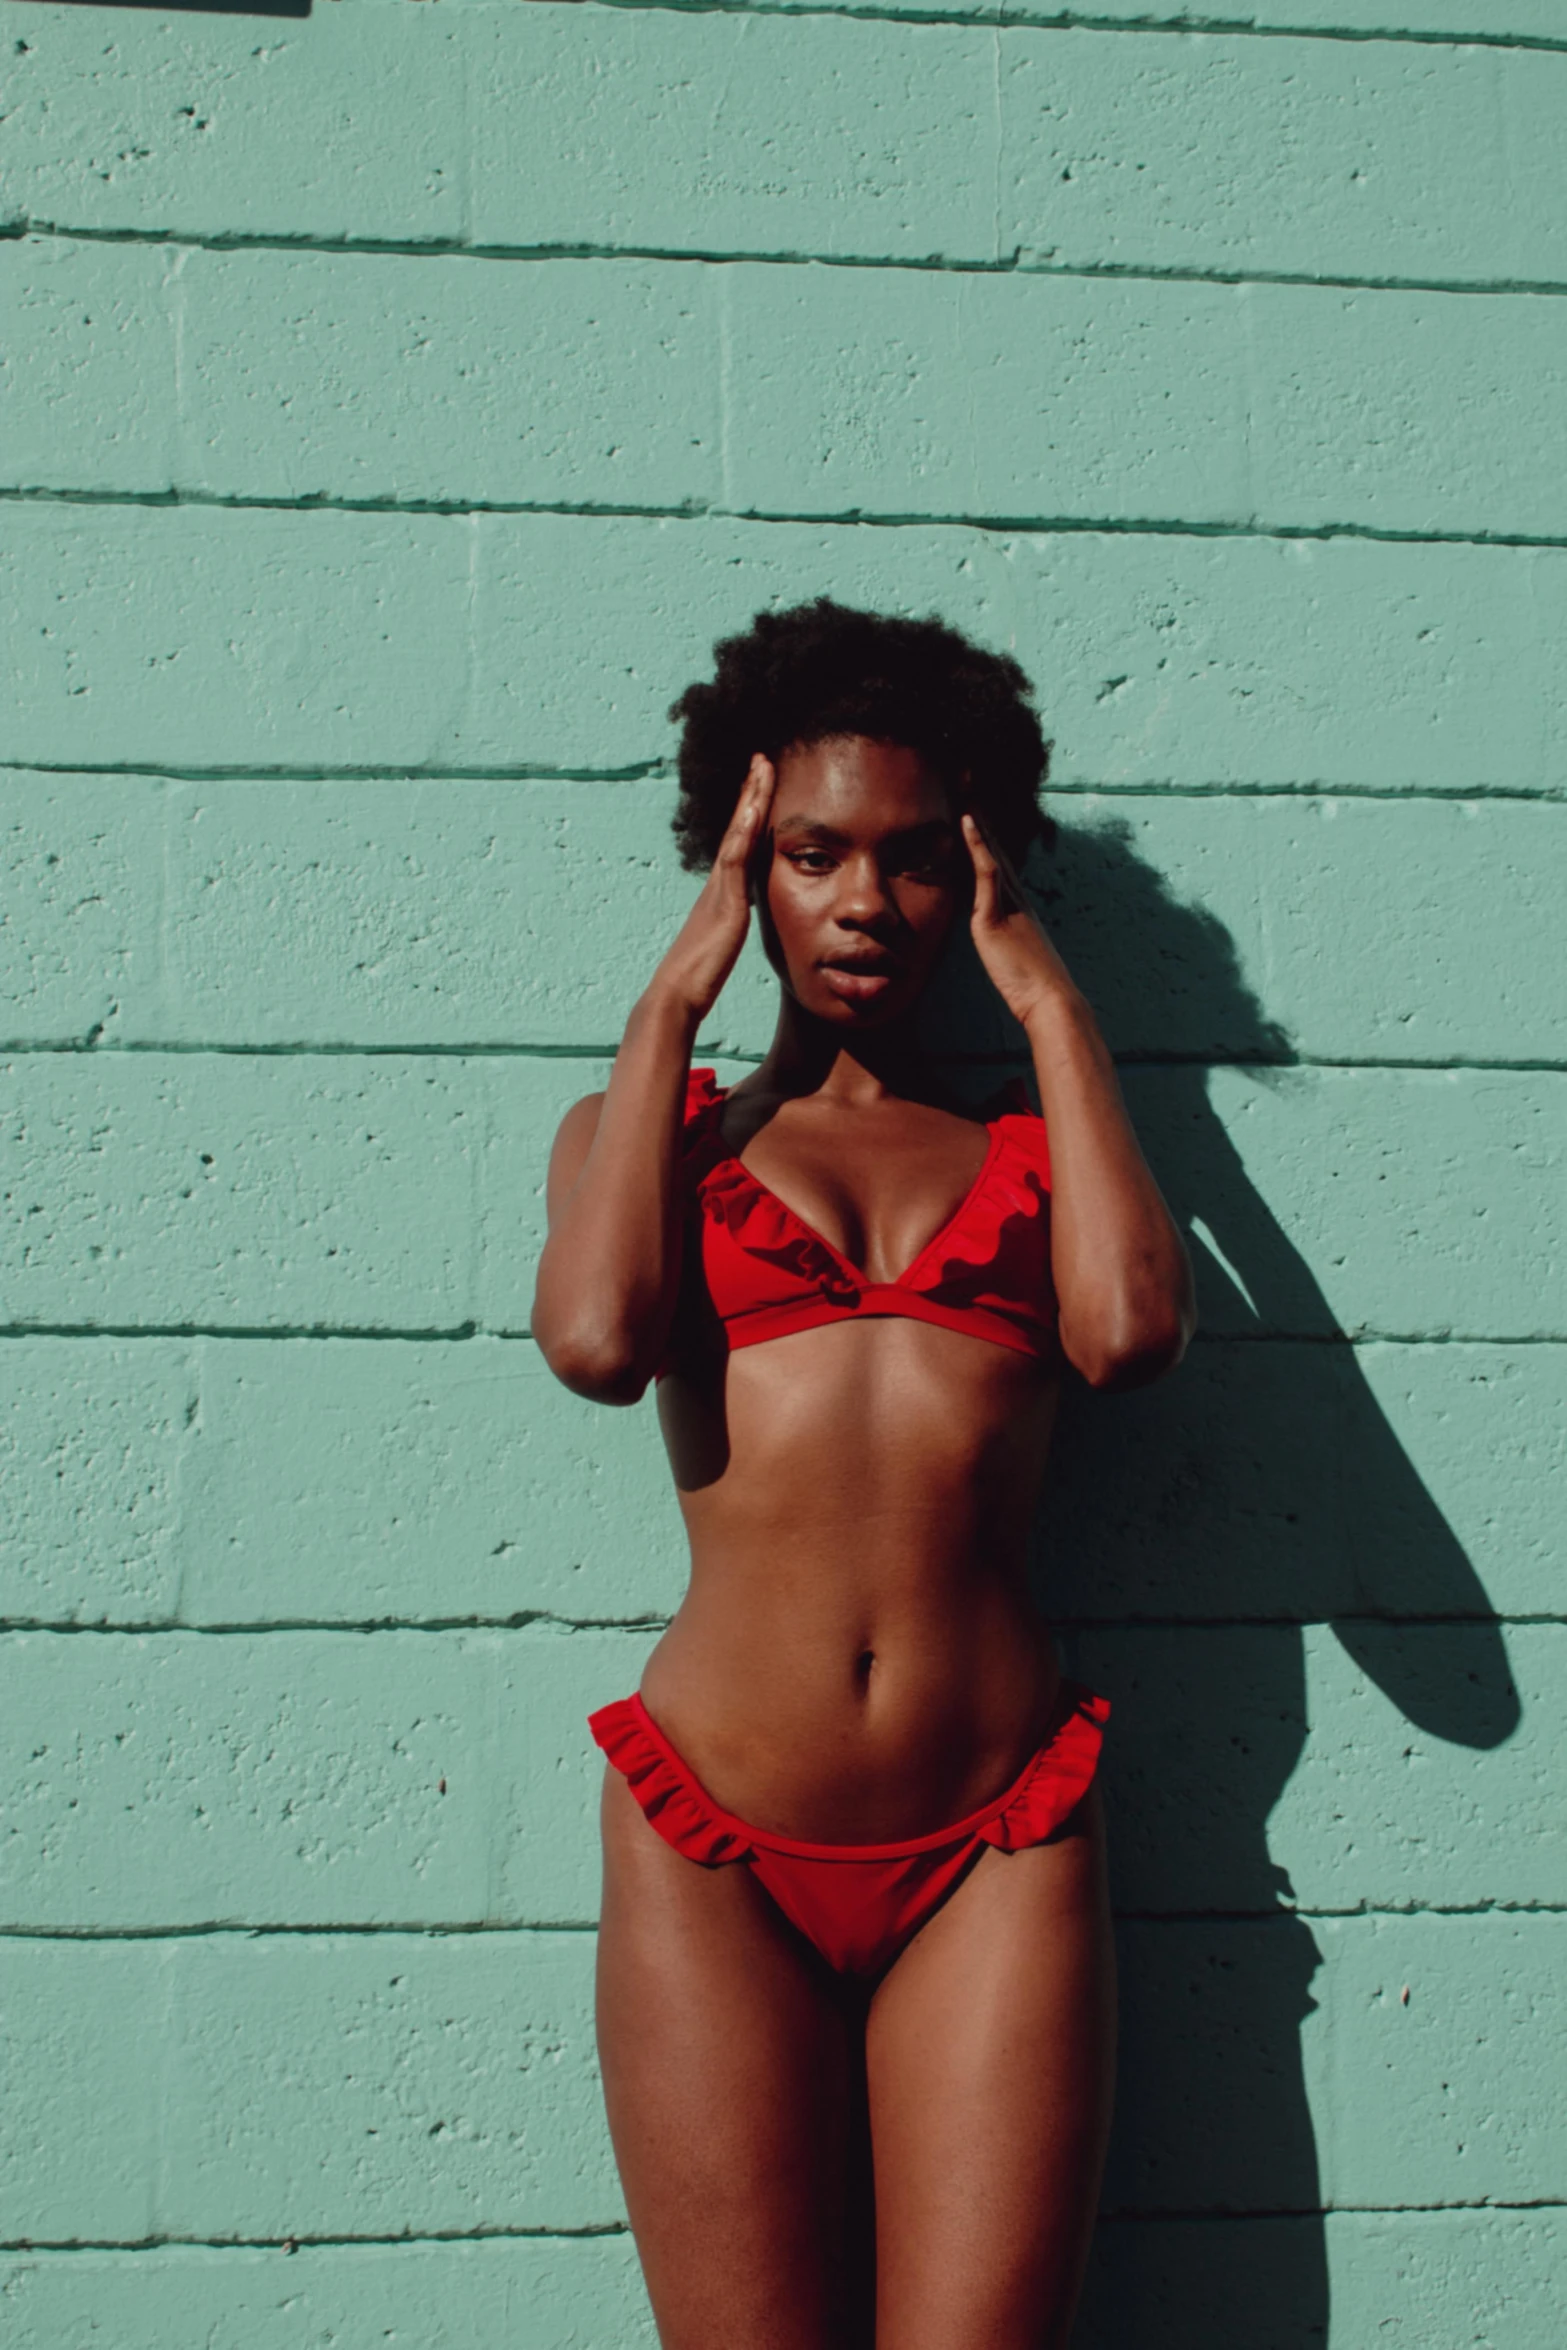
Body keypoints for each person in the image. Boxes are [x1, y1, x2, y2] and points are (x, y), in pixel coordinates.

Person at [532, 600, 1195, 2350]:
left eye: (913, 858)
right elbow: (600, 1343)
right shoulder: (641, 1139)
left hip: (996, 1833)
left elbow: (1127, 1333)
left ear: (973, 866)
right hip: (714, 1841)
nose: (861, 901)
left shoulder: (1034, 1155)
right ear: (744, 857)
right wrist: (676, 992)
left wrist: (1047, 994)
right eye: (811, 852)